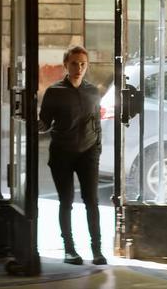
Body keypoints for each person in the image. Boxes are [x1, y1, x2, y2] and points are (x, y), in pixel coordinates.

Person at [38, 45, 107, 266]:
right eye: (75, 63)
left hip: (88, 153)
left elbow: (96, 122)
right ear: (66, 65)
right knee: (66, 201)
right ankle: (69, 250)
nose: (79, 67)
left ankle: (97, 250)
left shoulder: (92, 91)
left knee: (92, 201)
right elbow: (44, 124)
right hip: (62, 153)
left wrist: (97, 148)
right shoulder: (54, 91)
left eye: (83, 64)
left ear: (87, 66)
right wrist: (27, 119)